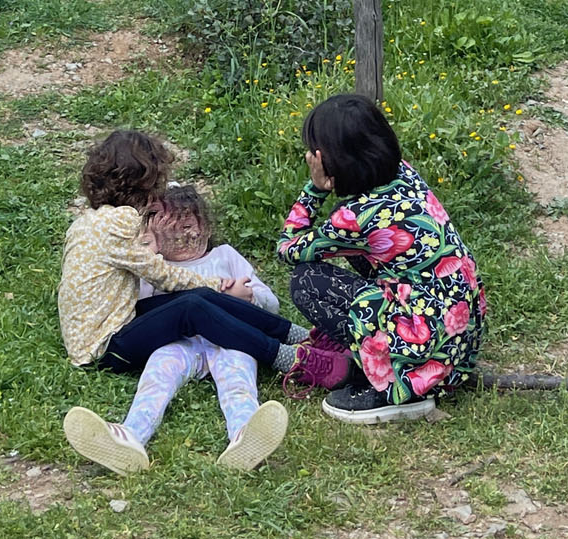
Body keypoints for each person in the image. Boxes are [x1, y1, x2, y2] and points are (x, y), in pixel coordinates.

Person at [59, 130, 332, 475]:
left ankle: (300, 336)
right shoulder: (122, 221)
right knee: (192, 305)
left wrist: (210, 290)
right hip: (104, 345)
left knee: (196, 300)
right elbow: (165, 278)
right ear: (146, 180)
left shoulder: (90, 220)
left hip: (108, 327)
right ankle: (289, 355)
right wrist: (219, 284)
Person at [275, 93, 487, 426]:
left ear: (329, 159)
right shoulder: (404, 175)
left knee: (306, 280)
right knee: (367, 254)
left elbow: (287, 248)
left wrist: (316, 189)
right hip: (458, 337)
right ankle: (399, 356)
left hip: (424, 343)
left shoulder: (355, 218)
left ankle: (390, 384)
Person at [67, 185, 290, 476]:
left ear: (207, 229)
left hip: (232, 340)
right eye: (169, 228)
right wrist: (149, 251)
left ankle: (245, 435)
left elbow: (269, 303)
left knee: (238, 378)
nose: (182, 235)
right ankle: (130, 436)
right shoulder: (154, 267)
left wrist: (249, 297)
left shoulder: (224, 256)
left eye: (188, 225)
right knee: (157, 376)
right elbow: (141, 310)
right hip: (179, 342)